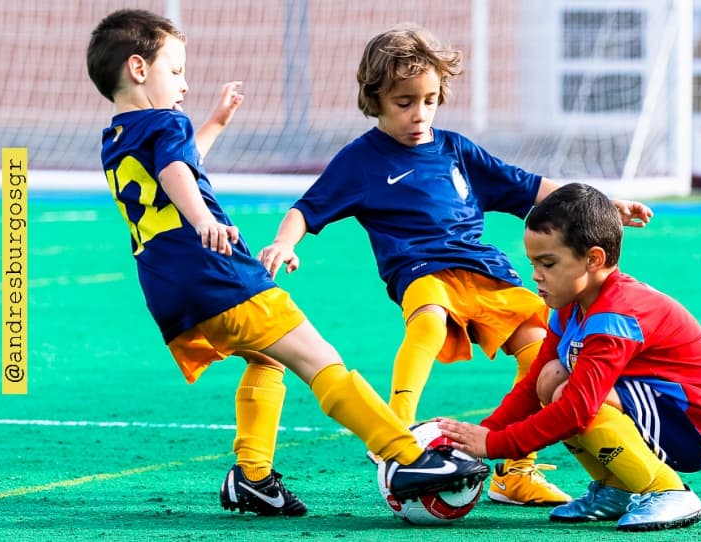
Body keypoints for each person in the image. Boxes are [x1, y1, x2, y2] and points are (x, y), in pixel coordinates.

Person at [86, 9, 489, 518]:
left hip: (171, 291)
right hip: (219, 274)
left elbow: (176, 163)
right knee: (320, 361)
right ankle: (407, 457)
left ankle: (252, 477)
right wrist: (202, 219)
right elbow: (174, 170)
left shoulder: (117, 137)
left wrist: (215, 123)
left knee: (267, 358)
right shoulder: (167, 123)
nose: (184, 84)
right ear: (139, 69)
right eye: (176, 70)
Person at [259, 24, 653, 507]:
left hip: (485, 272)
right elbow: (308, 208)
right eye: (404, 102)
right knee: (428, 321)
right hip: (421, 271)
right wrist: (284, 242)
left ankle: (516, 473)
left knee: (541, 354)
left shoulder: (456, 150)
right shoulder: (359, 161)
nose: (419, 114)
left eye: (429, 100)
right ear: (375, 99)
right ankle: (392, 429)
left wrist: (605, 203)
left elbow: (529, 186)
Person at [438, 182, 701, 531]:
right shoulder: (569, 306)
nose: (535, 275)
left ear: (594, 259)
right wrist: (480, 434)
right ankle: (617, 489)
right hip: (651, 403)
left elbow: (577, 409)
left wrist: (496, 444)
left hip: (691, 422)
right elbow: (533, 386)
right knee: (550, 378)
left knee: (569, 399)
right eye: (534, 262)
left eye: (548, 263)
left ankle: (667, 491)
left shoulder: (615, 316)